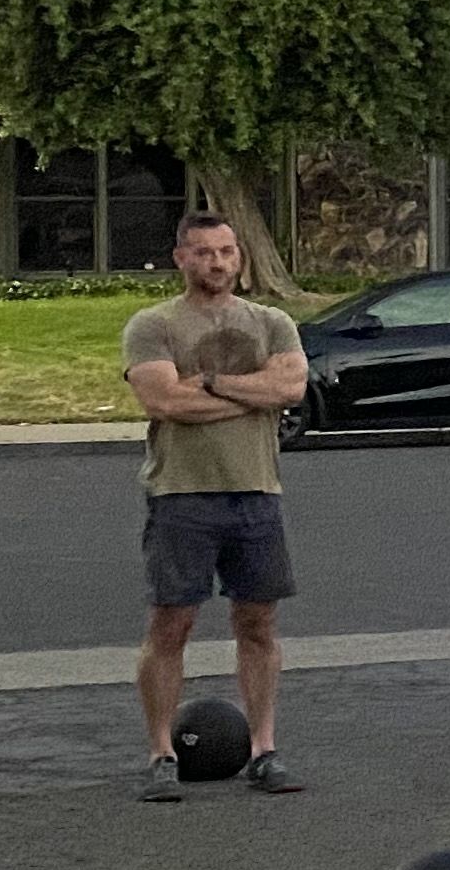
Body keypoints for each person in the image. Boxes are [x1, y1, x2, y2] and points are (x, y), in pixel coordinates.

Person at [120, 212, 310, 801]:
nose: (218, 263)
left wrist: (210, 383)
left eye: (226, 251)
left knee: (258, 623)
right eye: (204, 252)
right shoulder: (153, 326)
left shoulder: (272, 322)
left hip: (257, 492)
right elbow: (164, 402)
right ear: (181, 258)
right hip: (181, 494)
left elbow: (291, 389)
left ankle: (264, 749)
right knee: (171, 624)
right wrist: (253, 393)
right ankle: (161, 754)